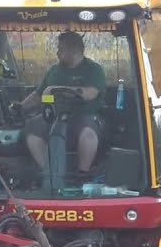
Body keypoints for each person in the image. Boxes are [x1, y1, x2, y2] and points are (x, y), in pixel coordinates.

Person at [17, 31, 108, 177]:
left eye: (60, 49)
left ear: (74, 50)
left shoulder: (94, 70)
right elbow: (39, 95)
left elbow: (91, 93)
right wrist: (20, 107)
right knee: (32, 127)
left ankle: (82, 174)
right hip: (55, 116)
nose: (57, 53)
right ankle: (49, 172)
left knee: (88, 133)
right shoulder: (54, 71)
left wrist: (59, 90)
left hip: (85, 115)